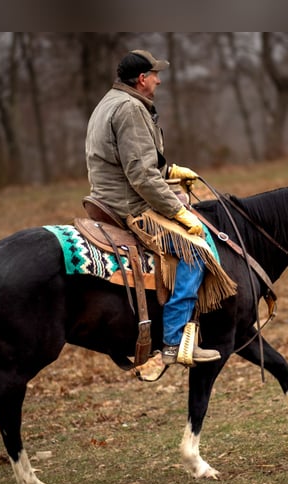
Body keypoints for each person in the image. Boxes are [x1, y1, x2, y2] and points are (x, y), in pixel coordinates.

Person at [85, 49, 235, 365]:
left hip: (111, 195)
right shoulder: (129, 109)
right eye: (155, 74)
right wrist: (179, 213)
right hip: (130, 204)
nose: (159, 79)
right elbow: (140, 175)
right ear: (142, 79)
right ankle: (175, 340)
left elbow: (130, 160)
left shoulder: (110, 102)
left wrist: (171, 171)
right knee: (195, 248)